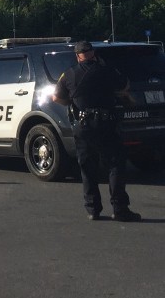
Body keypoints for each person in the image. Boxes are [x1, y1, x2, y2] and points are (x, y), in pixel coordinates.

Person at [53, 41, 141, 222]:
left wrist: (73, 103)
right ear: (93, 53)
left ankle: (93, 209)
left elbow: (56, 97)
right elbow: (125, 86)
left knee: (87, 167)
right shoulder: (108, 70)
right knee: (115, 164)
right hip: (107, 123)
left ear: (77, 56)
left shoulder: (69, 74)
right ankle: (120, 209)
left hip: (83, 125)